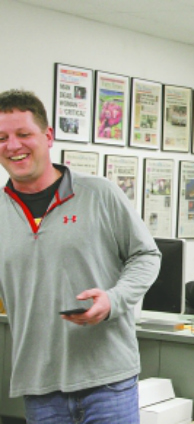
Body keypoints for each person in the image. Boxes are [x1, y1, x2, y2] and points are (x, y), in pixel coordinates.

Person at [0, 89, 161, 423]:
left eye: (23, 134)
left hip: (108, 381)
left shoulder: (99, 193)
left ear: (47, 136)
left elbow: (146, 255)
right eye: (1, 137)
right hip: (39, 385)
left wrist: (114, 299)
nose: (12, 146)